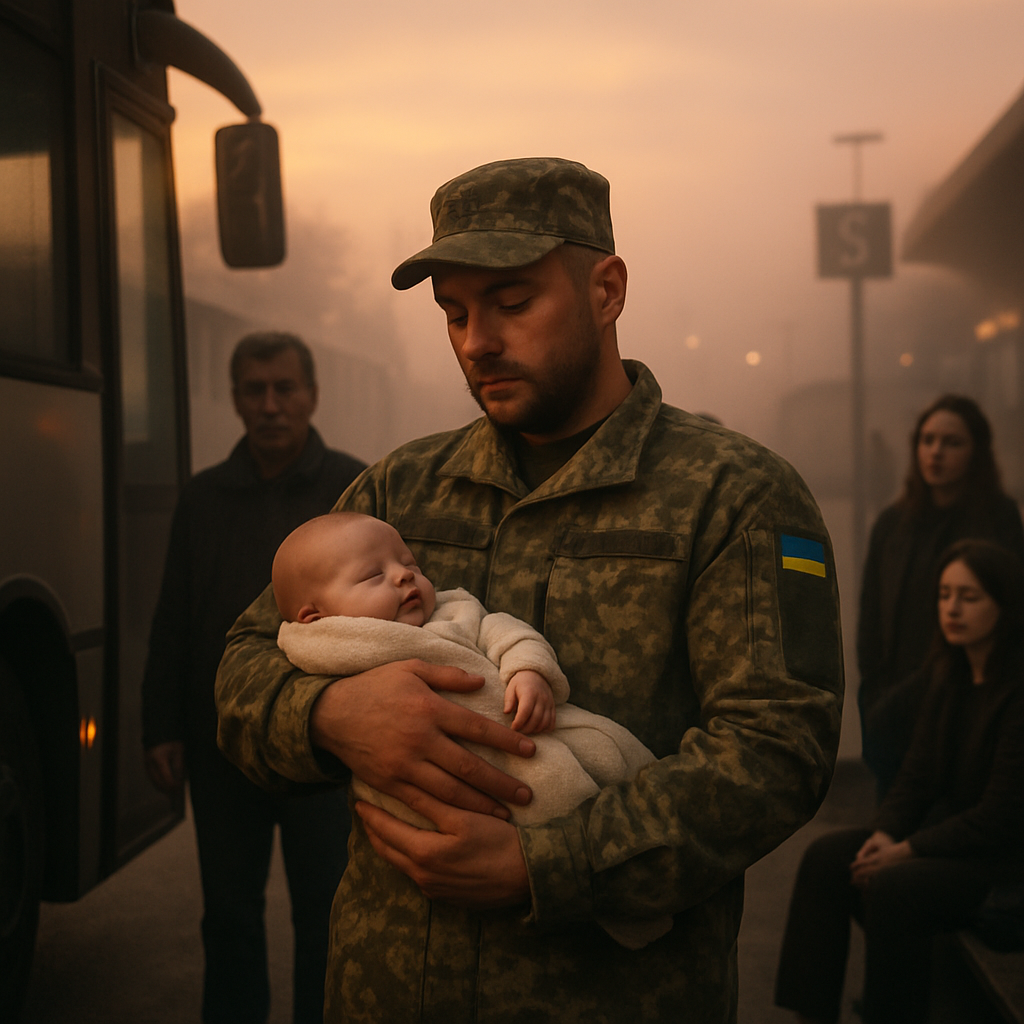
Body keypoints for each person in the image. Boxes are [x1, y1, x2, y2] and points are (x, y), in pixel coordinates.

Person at [215, 157, 844, 1023]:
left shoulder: (732, 493)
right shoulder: (402, 488)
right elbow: (245, 666)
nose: (477, 340)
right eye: (455, 313)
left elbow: (778, 749)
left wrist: (549, 864)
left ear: (607, 290)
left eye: (512, 303)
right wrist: (333, 719)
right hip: (386, 992)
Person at [272, 510, 666, 948]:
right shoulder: (320, 648)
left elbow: (508, 632)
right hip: (424, 806)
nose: (404, 576)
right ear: (315, 616)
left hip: (530, 745)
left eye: (411, 565)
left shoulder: (454, 610)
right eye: (372, 576)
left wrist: (528, 672)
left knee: (609, 773)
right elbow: (252, 675)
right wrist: (328, 711)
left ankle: (619, 879)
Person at [142, 332, 366, 1024]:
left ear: (312, 395)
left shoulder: (352, 488)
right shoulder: (205, 497)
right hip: (223, 746)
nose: (271, 405)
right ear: (236, 399)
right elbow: (176, 614)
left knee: (325, 918)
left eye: (285, 388)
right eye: (254, 390)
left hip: (323, 748)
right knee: (230, 918)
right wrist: (161, 728)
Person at [775, 538, 1024, 1024]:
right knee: (827, 858)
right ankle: (812, 1014)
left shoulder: (1017, 693)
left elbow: (999, 819)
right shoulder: (949, 674)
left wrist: (904, 852)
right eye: (945, 594)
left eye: (969, 597)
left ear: (1005, 604)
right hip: (950, 842)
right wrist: (886, 833)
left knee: (894, 886)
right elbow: (917, 776)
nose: (952, 608)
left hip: (999, 867)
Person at [857, 395, 1024, 797]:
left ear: (976, 452)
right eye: (928, 440)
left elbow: (1010, 616)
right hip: (896, 707)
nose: (936, 452)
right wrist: (876, 697)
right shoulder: (893, 524)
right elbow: (872, 621)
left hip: (965, 706)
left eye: (952, 442)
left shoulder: (997, 520)